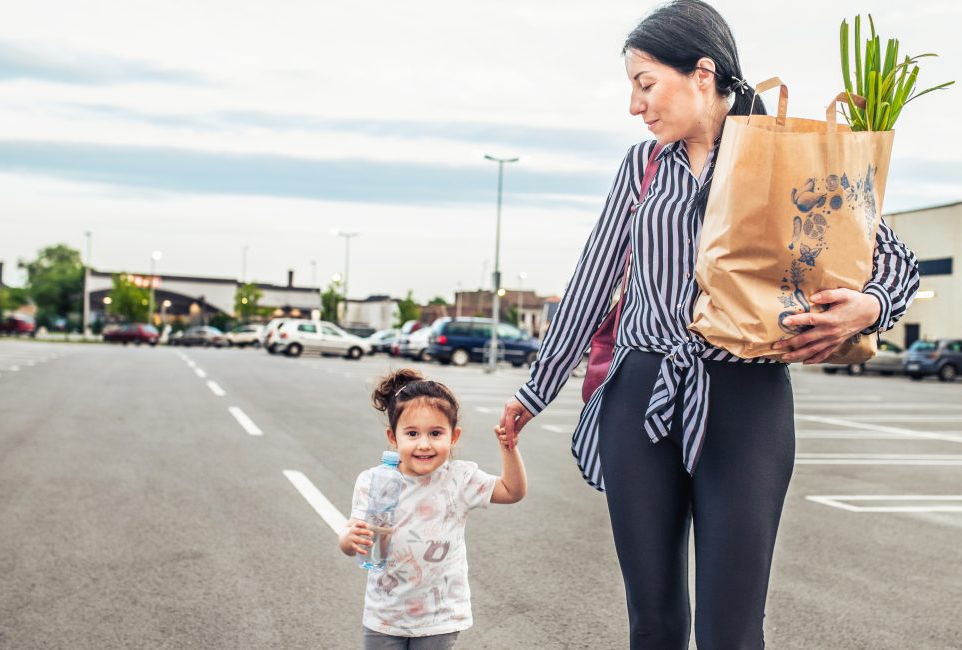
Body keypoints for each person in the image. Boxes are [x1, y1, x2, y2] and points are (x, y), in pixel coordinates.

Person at [497, 2, 920, 648]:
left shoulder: (789, 159)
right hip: (640, 397)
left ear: (701, 73)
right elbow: (590, 284)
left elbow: (893, 261)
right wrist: (534, 394)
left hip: (746, 404)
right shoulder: (641, 169)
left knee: (732, 631)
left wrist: (871, 306)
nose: (635, 107)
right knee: (655, 622)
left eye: (645, 85)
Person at [341, 369, 528, 649]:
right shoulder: (374, 481)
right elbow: (353, 538)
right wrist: (348, 540)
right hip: (384, 614)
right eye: (412, 433)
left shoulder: (459, 479)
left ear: (453, 437)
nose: (424, 444)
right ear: (393, 437)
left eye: (436, 433)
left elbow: (512, 491)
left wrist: (509, 449)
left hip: (439, 618)